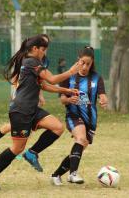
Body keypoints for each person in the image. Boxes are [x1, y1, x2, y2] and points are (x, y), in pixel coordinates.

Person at [0, 34, 80, 190]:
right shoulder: (31, 62)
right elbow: (52, 79)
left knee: (57, 127)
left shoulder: (33, 63)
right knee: (17, 149)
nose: (44, 53)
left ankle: (32, 152)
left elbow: (45, 86)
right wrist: (71, 72)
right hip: (21, 111)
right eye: (43, 49)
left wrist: (66, 89)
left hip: (32, 109)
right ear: (35, 49)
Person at [50, 46, 108, 186]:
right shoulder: (69, 76)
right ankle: (73, 174)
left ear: (92, 63)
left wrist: (103, 100)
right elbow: (62, 98)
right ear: (78, 60)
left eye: (88, 64)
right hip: (73, 116)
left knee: (79, 148)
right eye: (82, 62)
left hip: (91, 120)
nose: (85, 66)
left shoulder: (96, 78)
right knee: (80, 139)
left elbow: (102, 95)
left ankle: (56, 175)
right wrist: (69, 100)